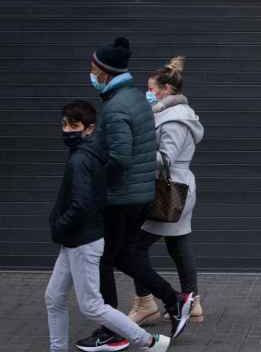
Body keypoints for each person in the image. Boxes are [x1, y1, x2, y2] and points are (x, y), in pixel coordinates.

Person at [75, 37, 193, 351]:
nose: (90, 73)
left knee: (102, 259)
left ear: (104, 72)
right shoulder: (133, 99)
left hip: (121, 198)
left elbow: (121, 157)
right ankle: (174, 300)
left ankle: (113, 330)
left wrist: (93, 183)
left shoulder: (116, 107)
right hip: (138, 195)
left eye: (93, 69)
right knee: (124, 255)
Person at [46, 101, 171, 352]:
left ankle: (149, 342)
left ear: (89, 128)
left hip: (81, 241)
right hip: (75, 240)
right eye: (64, 124)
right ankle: (57, 348)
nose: (67, 130)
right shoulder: (90, 153)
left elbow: (81, 204)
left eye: (74, 125)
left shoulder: (81, 159)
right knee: (53, 297)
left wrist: (60, 225)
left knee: (91, 305)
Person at [128, 56, 205, 325]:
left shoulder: (175, 119)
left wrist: (136, 151)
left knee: (132, 248)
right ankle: (192, 302)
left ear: (167, 90)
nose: (147, 93)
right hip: (177, 188)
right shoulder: (169, 113)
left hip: (167, 190)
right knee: (179, 245)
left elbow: (166, 158)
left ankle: (145, 302)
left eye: (151, 89)